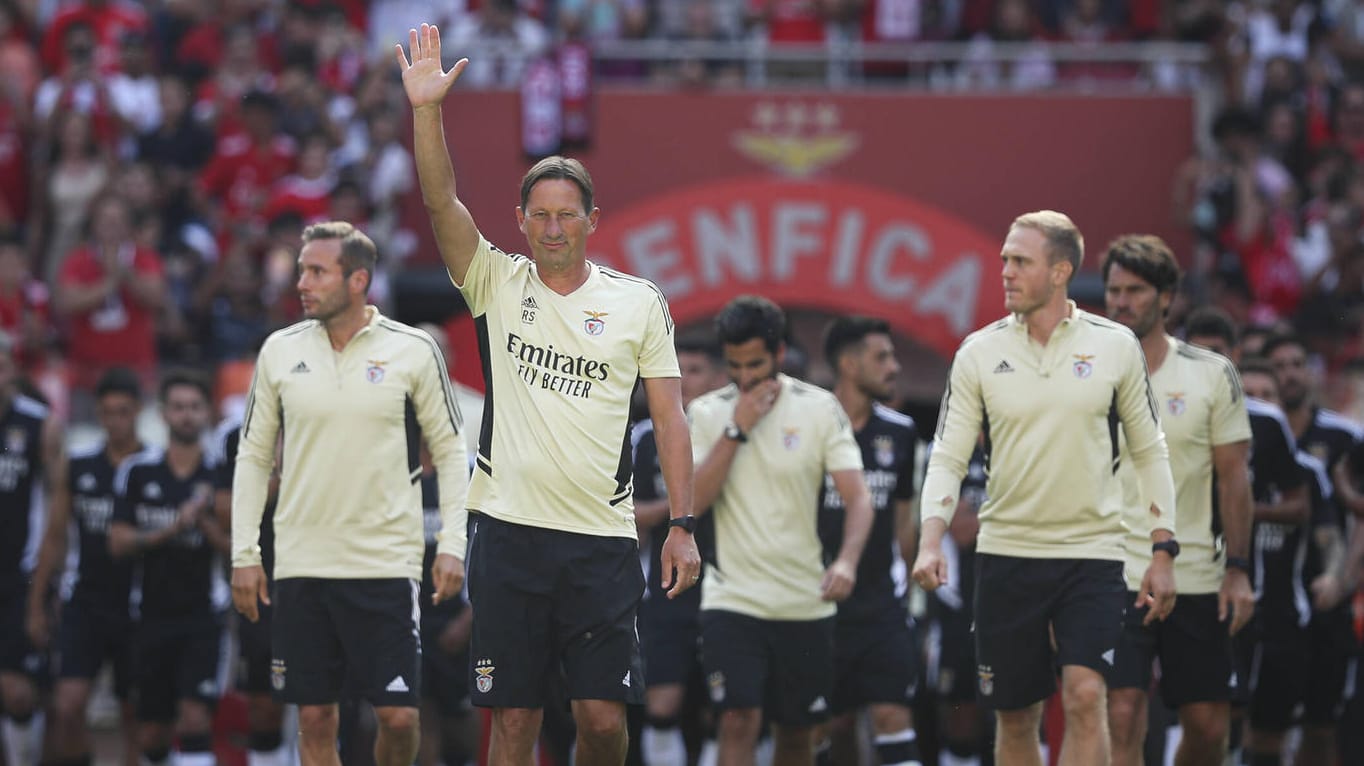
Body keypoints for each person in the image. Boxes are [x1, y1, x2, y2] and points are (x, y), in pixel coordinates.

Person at [397, 24, 700, 766]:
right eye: (542, 215)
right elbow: (441, 205)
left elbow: (669, 416)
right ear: (521, 223)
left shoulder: (639, 302)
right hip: (506, 534)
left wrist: (683, 524)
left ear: (592, 223)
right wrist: (428, 110)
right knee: (512, 722)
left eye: (569, 215)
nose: (555, 227)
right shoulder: (496, 282)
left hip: (602, 541)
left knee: (601, 722)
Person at [912, 210, 1179, 766]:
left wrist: (1163, 547)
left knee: (1086, 696)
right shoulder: (978, 352)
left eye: (1020, 261)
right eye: (1005, 259)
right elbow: (948, 455)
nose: (1005, 271)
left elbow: (1149, 450)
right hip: (1008, 552)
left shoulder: (1116, 346)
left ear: (1060, 272)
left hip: (1095, 553)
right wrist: (931, 539)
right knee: (1015, 717)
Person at [229, 221, 470, 766]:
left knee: (400, 718)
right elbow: (253, 457)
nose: (302, 283)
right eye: (301, 271)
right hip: (300, 563)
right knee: (315, 718)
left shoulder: (414, 351)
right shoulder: (277, 351)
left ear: (358, 279)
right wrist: (245, 554)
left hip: (384, 563)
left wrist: (453, 543)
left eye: (316, 271)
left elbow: (453, 452)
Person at [688, 295, 874, 766]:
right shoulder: (708, 412)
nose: (746, 376)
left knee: (797, 734)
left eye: (755, 363)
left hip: (804, 602)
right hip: (732, 599)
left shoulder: (818, 407)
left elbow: (859, 498)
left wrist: (847, 560)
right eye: (734, 365)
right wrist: (737, 430)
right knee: (737, 721)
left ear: (779, 354)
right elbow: (691, 502)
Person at [1098, 235, 1255, 766]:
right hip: (1112, 571)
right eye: (1113, 290)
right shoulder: (1086, 373)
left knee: (1209, 727)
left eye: (1135, 291)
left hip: (1196, 572)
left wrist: (1237, 568)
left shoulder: (1213, 374)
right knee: (1119, 713)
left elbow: (1234, 479)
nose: (1120, 301)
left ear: (1167, 297)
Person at [108, 370, 229, 766]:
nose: (187, 415)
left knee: (195, 719)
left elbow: (239, 550)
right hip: (151, 614)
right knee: (152, 732)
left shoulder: (221, 475)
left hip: (204, 614)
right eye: (178, 407)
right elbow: (118, 541)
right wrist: (170, 528)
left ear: (208, 413)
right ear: (163, 414)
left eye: (195, 407)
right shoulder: (138, 471)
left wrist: (205, 523)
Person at [26, 367, 145, 766]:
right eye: (108, 412)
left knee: (137, 717)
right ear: (97, 413)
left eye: (124, 412)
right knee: (67, 705)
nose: (116, 421)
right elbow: (55, 537)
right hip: (85, 601)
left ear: (138, 412)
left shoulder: (154, 467)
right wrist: (36, 603)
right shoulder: (77, 465)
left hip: (139, 605)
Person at [817, 315, 922, 766]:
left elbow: (902, 522)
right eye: (882, 357)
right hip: (815, 605)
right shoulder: (809, 426)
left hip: (881, 606)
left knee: (892, 715)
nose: (894, 367)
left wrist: (909, 591)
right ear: (848, 363)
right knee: (823, 727)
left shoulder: (900, 432)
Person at [1261, 333, 1363, 766]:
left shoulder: (1344, 437)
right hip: (1266, 597)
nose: (1289, 375)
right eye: (1278, 366)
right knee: (1260, 724)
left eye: (1296, 363)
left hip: (1325, 596)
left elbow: (1359, 516)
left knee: (1321, 728)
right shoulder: (1250, 433)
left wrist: (1343, 579)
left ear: (1311, 372)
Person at [632, 337, 725, 766]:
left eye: (697, 370)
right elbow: (621, 510)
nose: (686, 380)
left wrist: (673, 511)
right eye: (679, 370)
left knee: (724, 710)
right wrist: (681, 512)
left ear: (720, 378)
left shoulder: (733, 435)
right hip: (665, 589)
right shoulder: (643, 437)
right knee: (661, 707)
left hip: (727, 586)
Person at [1233, 359, 1315, 766]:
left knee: (1278, 730)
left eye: (1268, 396)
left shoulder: (1307, 472)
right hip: (1223, 602)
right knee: (1219, 717)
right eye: (1249, 395)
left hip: (1285, 613)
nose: (1258, 405)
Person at [214, 415, 290, 766]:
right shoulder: (238, 434)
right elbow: (226, 512)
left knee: (324, 704)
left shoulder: (331, 422)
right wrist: (278, 469)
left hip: (323, 578)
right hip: (262, 583)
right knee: (263, 705)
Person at [0, 329, 61, 766]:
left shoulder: (40, 425)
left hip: (17, 575)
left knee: (18, 693)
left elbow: (57, 519)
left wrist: (40, 596)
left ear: (12, 372)